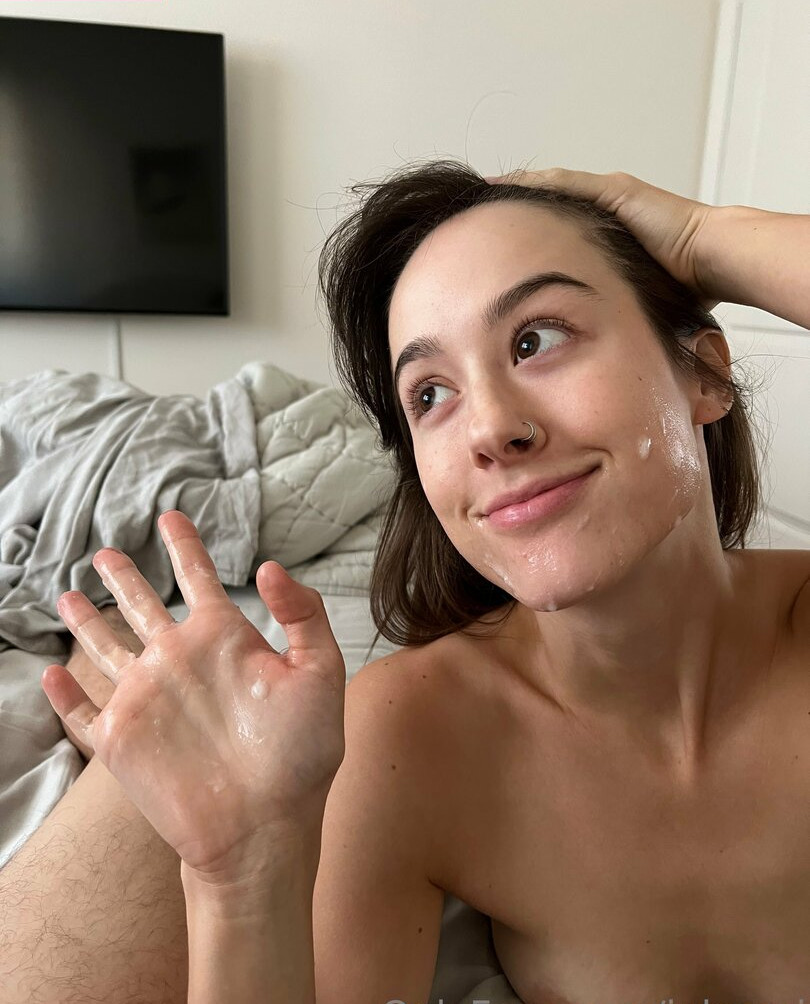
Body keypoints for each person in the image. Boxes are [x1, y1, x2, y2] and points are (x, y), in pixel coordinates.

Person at [27, 164, 810, 1004]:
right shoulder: (408, 733)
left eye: (537, 340)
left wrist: (701, 238)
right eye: (431, 394)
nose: (491, 429)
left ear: (705, 375)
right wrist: (240, 876)